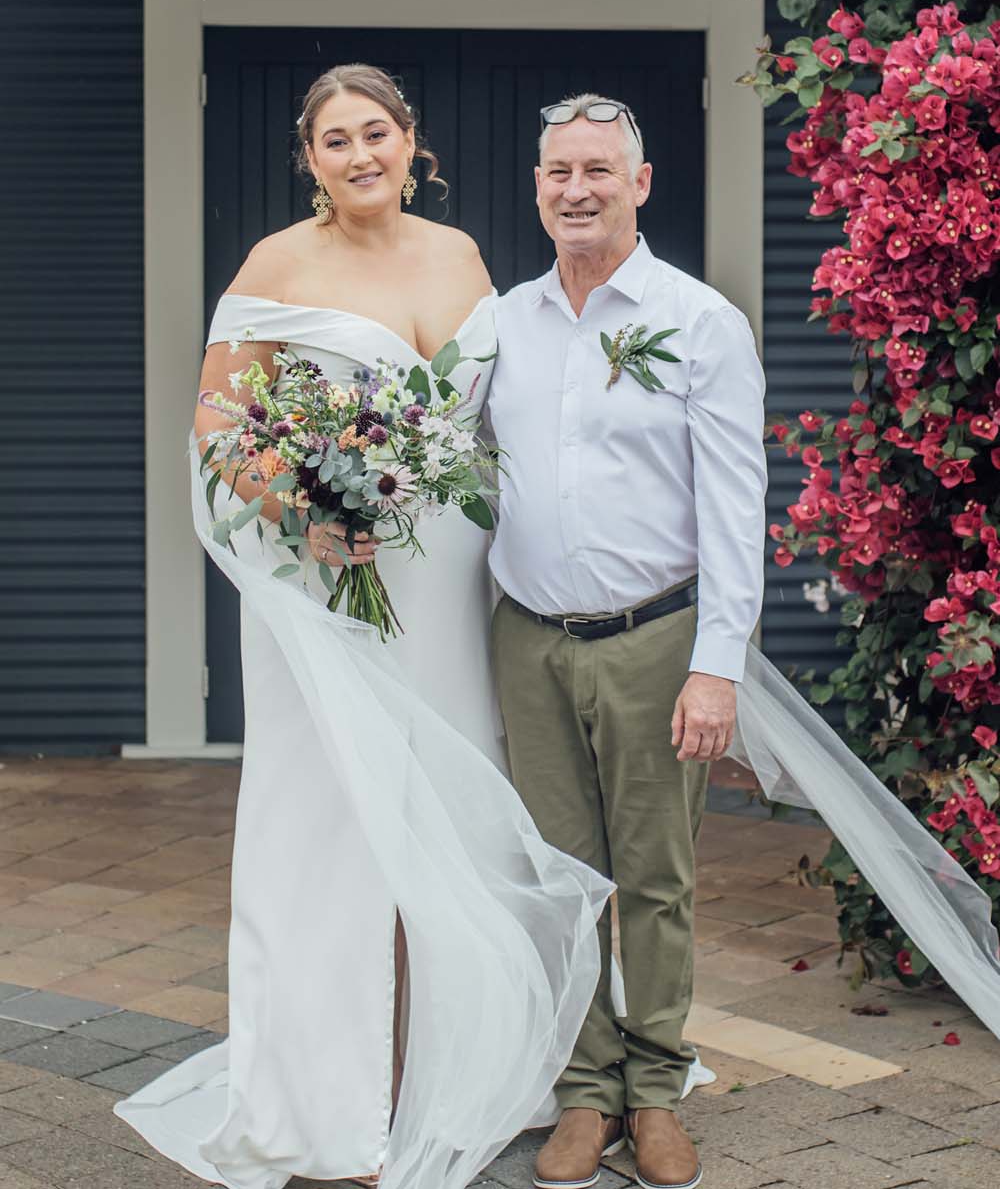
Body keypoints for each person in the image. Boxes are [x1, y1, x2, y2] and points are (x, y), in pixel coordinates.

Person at [113, 64, 613, 1189]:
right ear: (311, 159)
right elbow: (220, 429)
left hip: (449, 579)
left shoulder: (463, 255)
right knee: (327, 822)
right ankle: (318, 1099)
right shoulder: (275, 267)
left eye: (374, 132)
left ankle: (482, 1065)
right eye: (334, 141)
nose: (359, 155)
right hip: (330, 582)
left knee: (459, 809)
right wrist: (306, 506)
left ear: (410, 140)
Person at [488, 94, 768, 1189]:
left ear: (639, 184)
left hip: (656, 640)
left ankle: (656, 1088)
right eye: (559, 170)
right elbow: (433, 452)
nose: (576, 189)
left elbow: (734, 511)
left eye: (598, 170)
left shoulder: (699, 322)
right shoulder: (501, 320)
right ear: (539, 184)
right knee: (558, 877)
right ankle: (582, 1093)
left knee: (653, 879)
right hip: (526, 640)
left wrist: (717, 665)